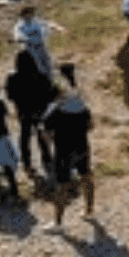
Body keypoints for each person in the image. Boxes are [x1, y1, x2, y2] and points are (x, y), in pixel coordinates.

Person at [42, 64, 95, 229]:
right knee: (86, 176)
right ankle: (89, 210)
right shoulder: (82, 107)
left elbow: (45, 133)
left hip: (63, 150)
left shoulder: (56, 111)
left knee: (62, 185)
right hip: (82, 147)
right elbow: (91, 126)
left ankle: (58, 222)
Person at [4, 50, 59, 182]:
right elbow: (51, 95)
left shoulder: (12, 78)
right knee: (42, 136)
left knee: (24, 137)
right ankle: (46, 159)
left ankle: (27, 163)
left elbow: (10, 96)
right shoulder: (40, 76)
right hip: (39, 112)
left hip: (23, 112)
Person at [12, 6, 62, 79]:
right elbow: (18, 36)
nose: (29, 14)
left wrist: (45, 33)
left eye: (30, 12)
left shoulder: (37, 21)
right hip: (29, 48)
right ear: (23, 15)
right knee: (35, 65)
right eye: (27, 13)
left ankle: (51, 79)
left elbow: (46, 26)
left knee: (47, 62)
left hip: (41, 45)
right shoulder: (19, 26)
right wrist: (27, 39)